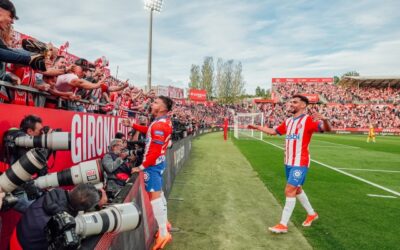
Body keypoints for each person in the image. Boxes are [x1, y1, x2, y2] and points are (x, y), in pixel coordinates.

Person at [248, 95, 332, 233]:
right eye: (291, 102)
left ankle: (283, 224)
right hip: (288, 162)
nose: (291, 104)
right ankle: (312, 214)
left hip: (301, 161)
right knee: (297, 190)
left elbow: (327, 129)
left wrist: (325, 119)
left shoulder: (308, 120)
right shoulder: (288, 122)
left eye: (295, 102)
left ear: (303, 105)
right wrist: (257, 127)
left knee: (289, 189)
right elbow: (273, 132)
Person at [123, 95, 173, 250]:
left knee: (155, 198)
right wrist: (134, 125)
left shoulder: (159, 125)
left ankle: (164, 233)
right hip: (158, 164)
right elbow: (150, 131)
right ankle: (164, 223)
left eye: (156, 102)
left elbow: (155, 151)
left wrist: (142, 166)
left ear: (163, 108)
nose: (152, 104)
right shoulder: (159, 122)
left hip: (152, 166)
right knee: (159, 194)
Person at [11, 183, 106, 250]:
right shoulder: (64, 225)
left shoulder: (55, 192)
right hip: (24, 247)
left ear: (75, 188)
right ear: (85, 209)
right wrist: (97, 209)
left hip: (16, 234)